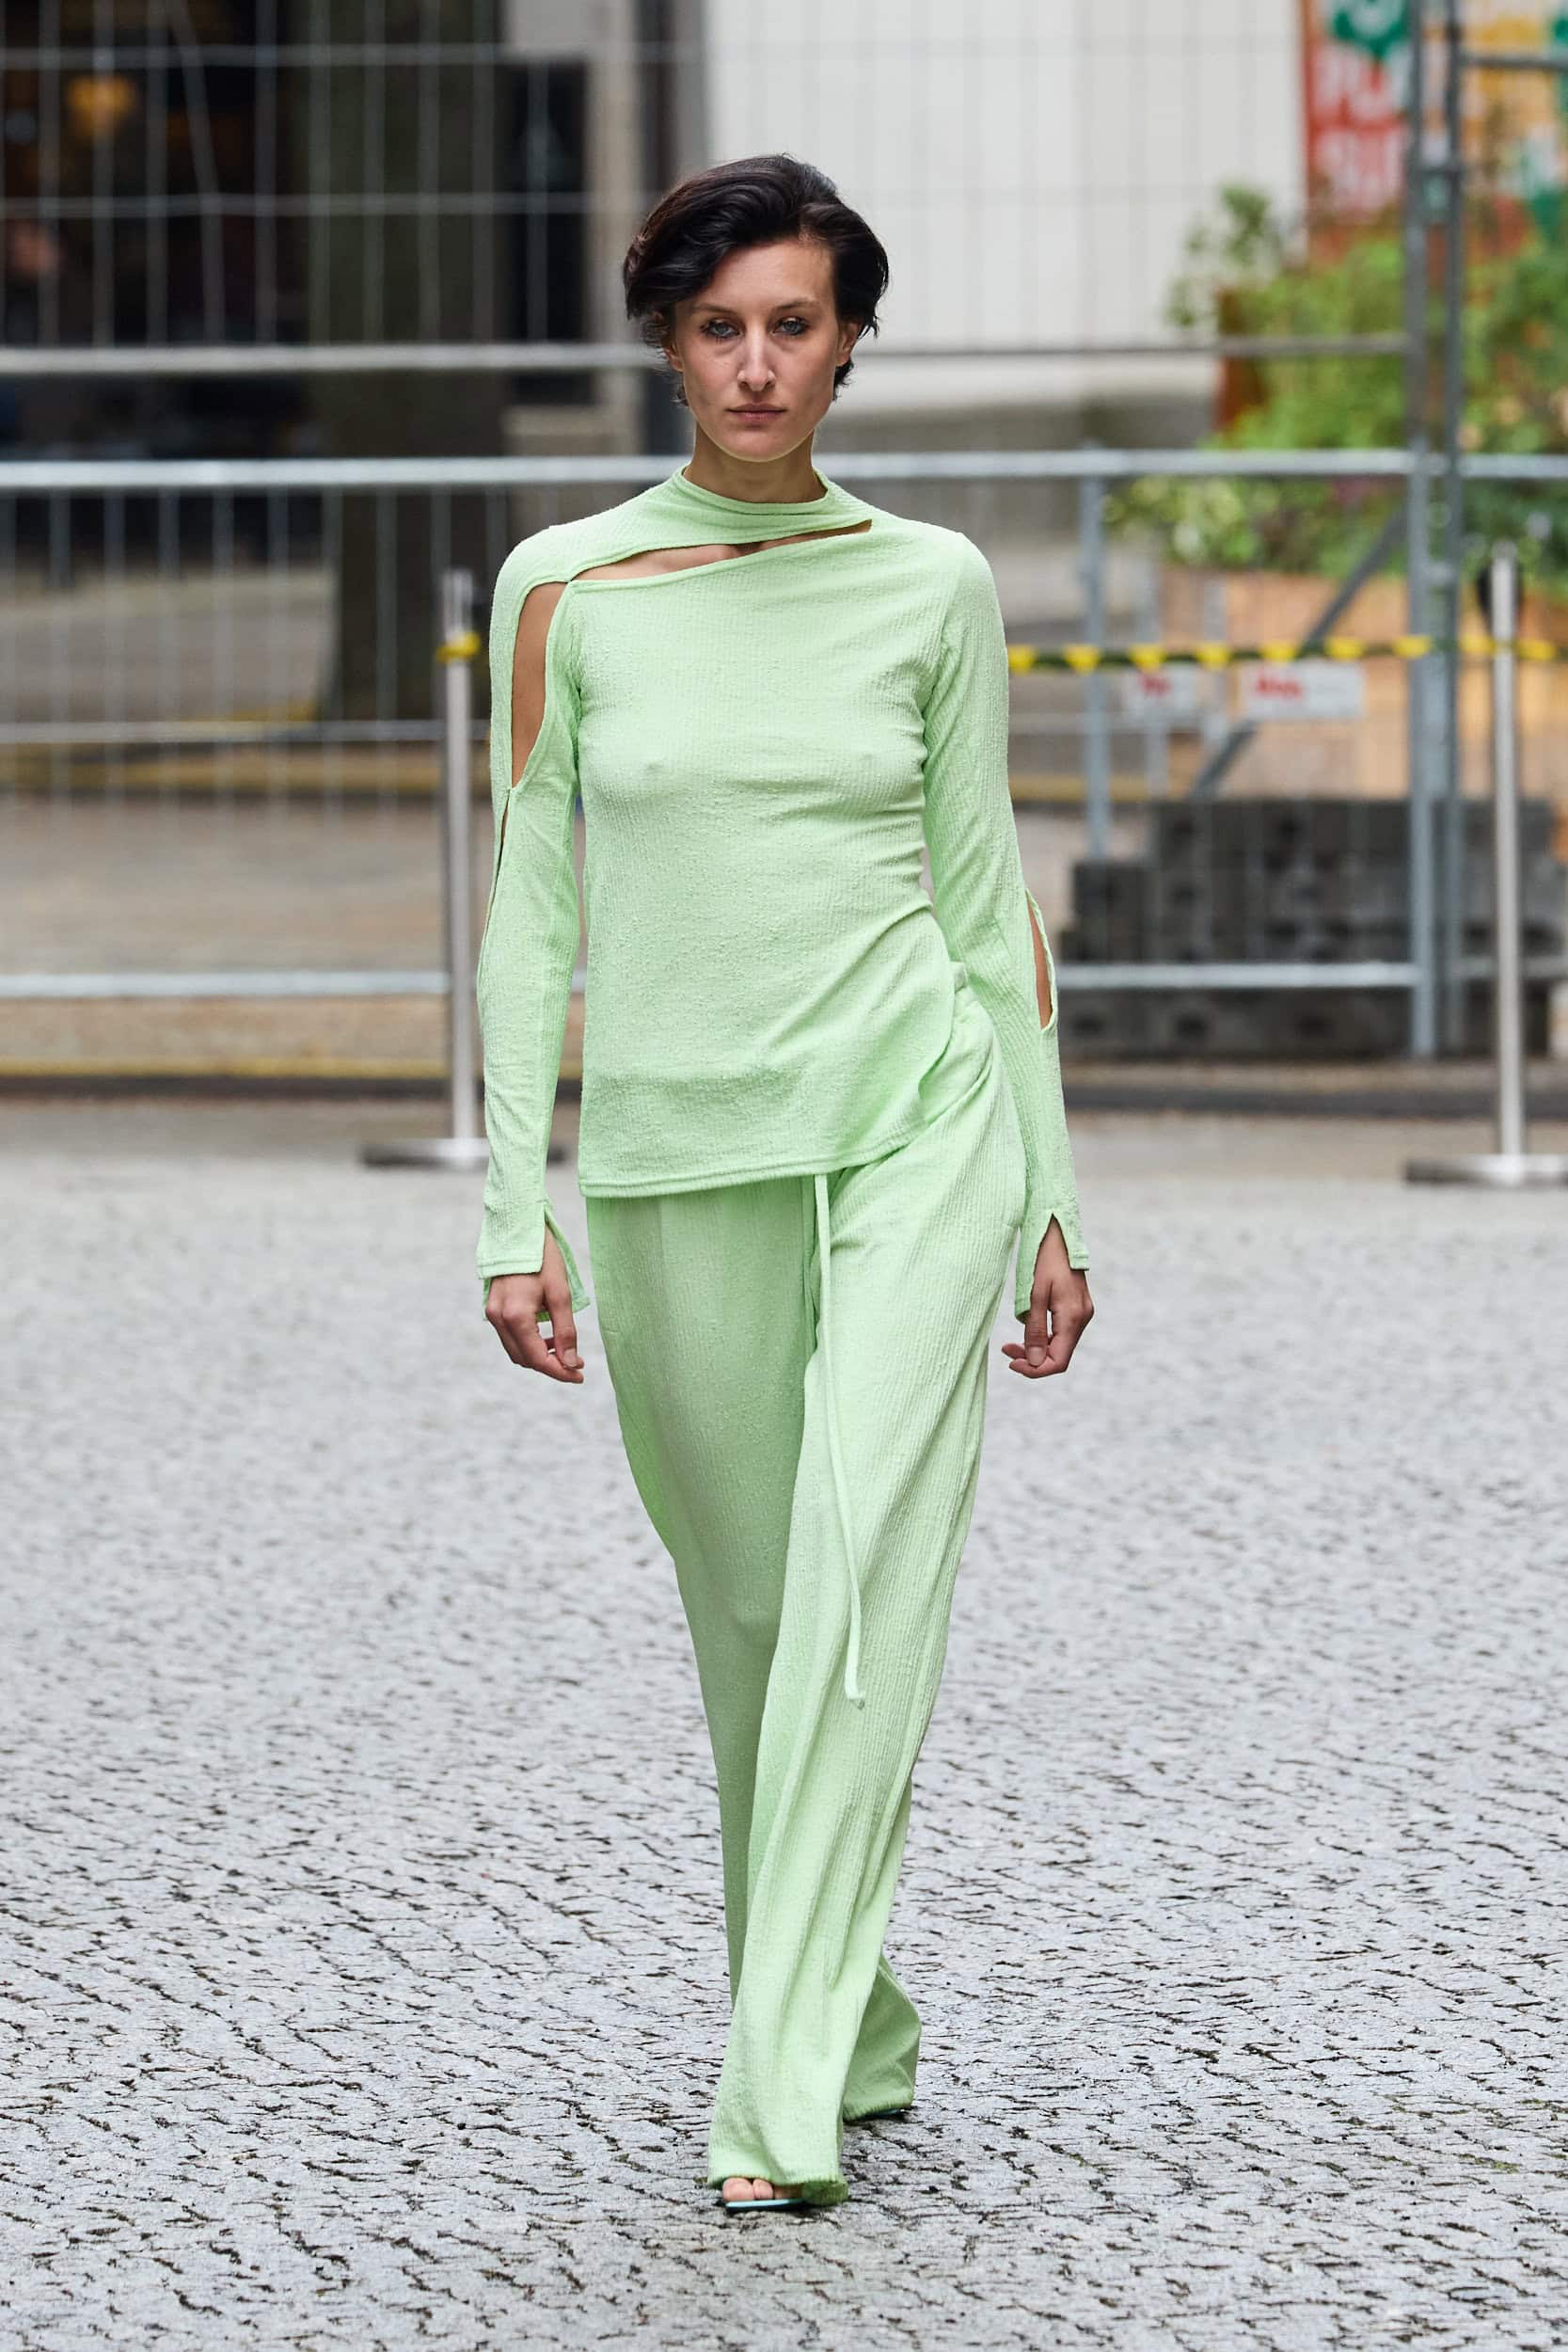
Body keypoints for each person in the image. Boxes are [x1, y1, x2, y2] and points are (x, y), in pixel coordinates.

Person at [475, 153, 1095, 2215]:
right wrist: (509, 1202)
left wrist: (1051, 1191)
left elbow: (989, 903)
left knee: (852, 1576)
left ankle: (781, 2092)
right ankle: (859, 2000)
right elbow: (529, 909)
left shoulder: (934, 584)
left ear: (849, 345)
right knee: (752, 1615)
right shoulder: (563, 586)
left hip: (920, 1121)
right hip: (677, 1153)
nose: (759, 366)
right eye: (722, 327)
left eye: (796, 327)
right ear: (669, 344)